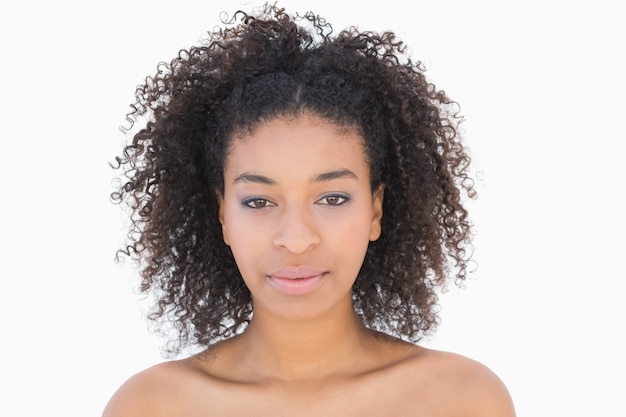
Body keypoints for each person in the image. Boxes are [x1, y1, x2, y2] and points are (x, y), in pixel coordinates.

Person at [103, 4, 516, 416]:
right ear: (223, 214)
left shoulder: (462, 400)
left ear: (375, 210)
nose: (296, 239)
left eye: (332, 198)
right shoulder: (149, 406)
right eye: (259, 202)